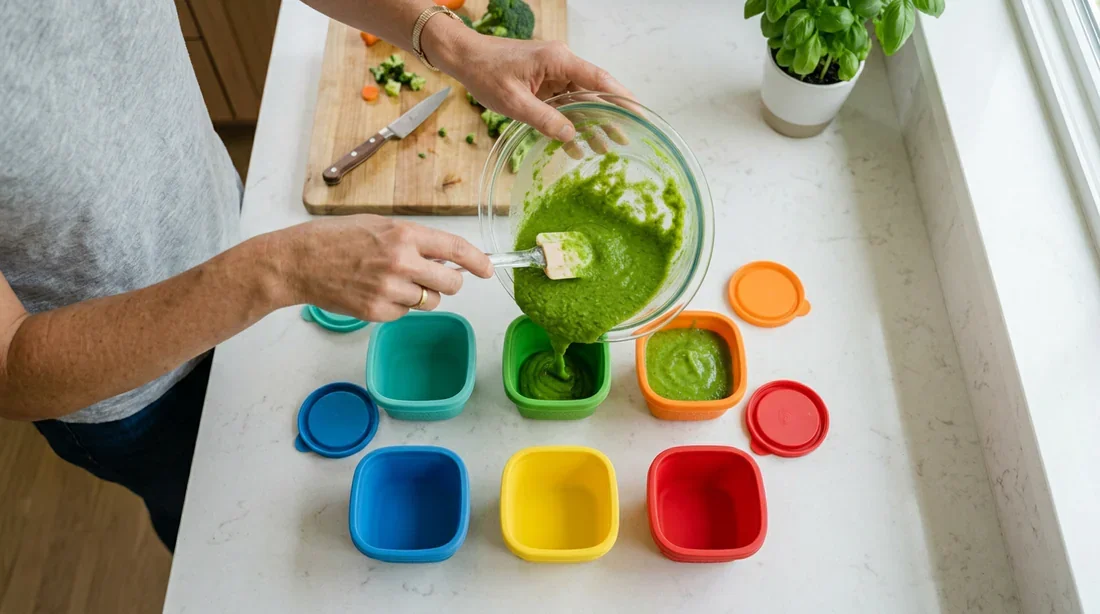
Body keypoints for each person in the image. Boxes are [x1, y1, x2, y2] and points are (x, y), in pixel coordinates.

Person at [0, 0, 629, 552]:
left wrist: (452, 42)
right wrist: (279, 267)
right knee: (213, 526)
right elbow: (9, 370)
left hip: (225, 232)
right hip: (124, 387)